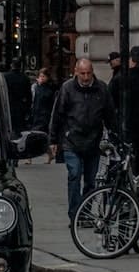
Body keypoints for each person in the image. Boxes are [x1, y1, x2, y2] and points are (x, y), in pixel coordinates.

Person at [49, 58, 118, 227]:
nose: (86, 77)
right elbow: (57, 115)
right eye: (82, 73)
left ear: (92, 71)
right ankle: (75, 214)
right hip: (72, 140)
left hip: (93, 141)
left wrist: (116, 137)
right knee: (74, 174)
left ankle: (85, 213)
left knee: (91, 181)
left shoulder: (101, 88)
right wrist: (53, 139)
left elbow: (109, 115)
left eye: (88, 73)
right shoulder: (67, 88)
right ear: (76, 71)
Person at [29, 68, 58, 163]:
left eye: (43, 76)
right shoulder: (37, 87)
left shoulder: (49, 89)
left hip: (44, 115)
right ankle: (50, 154)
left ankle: (29, 157)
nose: (41, 78)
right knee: (41, 137)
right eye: (40, 76)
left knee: (35, 136)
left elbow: (49, 102)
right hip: (36, 114)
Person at [1, 62, 31, 136]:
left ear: (11, 65)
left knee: (8, 127)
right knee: (19, 128)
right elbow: (29, 95)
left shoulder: (5, 77)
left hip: (8, 104)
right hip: (20, 105)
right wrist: (27, 107)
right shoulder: (25, 78)